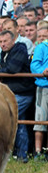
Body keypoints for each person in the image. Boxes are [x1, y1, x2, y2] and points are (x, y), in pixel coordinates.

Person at [0, 30, 33, 162]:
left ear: (13, 40)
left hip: (23, 92)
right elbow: (5, 68)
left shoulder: (20, 49)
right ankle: (21, 155)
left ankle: (9, 153)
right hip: (14, 91)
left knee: (9, 117)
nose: (3, 44)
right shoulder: (4, 53)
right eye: (0, 42)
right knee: (20, 122)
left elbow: (12, 69)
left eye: (5, 41)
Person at [30, 28, 48, 159]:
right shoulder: (41, 47)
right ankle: (38, 151)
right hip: (44, 87)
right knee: (40, 118)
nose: (42, 37)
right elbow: (34, 66)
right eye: (40, 35)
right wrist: (44, 71)